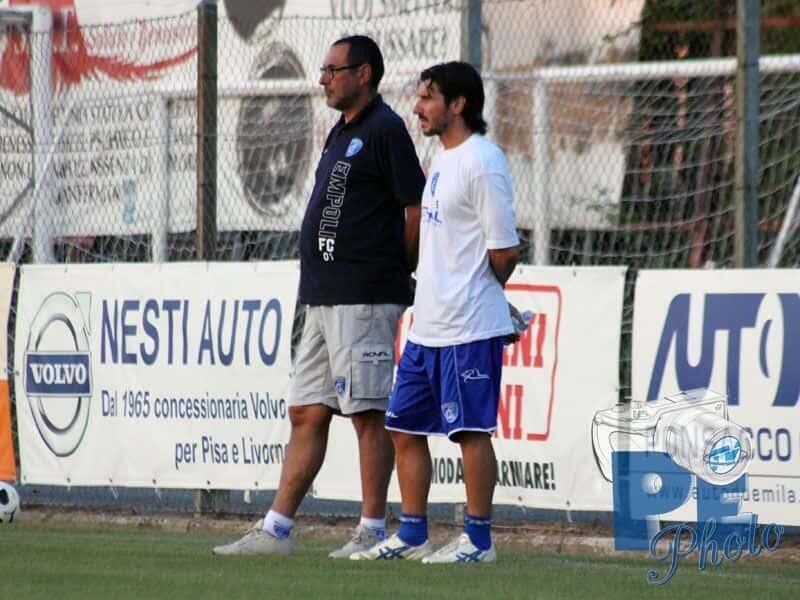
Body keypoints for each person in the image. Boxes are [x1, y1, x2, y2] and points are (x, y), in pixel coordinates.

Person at [214, 35, 424, 558]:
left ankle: (372, 528)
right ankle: (277, 529)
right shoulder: (340, 131)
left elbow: (414, 207)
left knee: (367, 414)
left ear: (364, 74)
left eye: (333, 70)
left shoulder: (386, 129)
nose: (324, 79)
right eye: (324, 70)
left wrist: (398, 268)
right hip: (322, 296)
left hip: (363, 294)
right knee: (307, 412)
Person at [351, 61, 519, 563]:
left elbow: (505, 251)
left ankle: (479, 541)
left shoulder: (483, 160)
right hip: (426, 327)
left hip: (467, 326)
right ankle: (413, 533)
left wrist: (483, 298)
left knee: (469, 431)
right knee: (402, 426)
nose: (418, 107)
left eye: (427, 97)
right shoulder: (442, 159)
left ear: (458, 104)